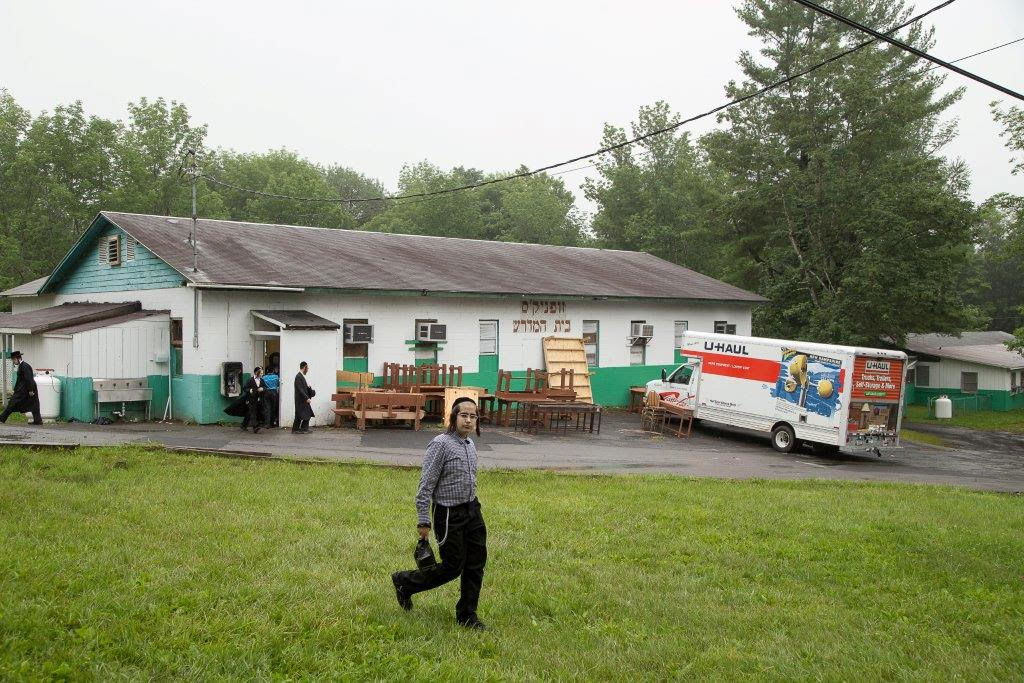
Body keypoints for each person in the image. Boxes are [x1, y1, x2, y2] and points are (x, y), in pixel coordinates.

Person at [391, 397, 488, 630]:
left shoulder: (470, 444)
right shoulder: (440, 444)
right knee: (452, 567)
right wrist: (423, 520)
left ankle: (467, 615)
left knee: (475, 564)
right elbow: (425, 485)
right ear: (453, 417)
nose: (468, 420)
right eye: (463, 415)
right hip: (448, 514)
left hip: (472, 510)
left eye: (472, 416)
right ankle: (405, 582)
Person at [0, 351, 42, 425]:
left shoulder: (25, 366)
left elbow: (29, 379)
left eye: (13, 359)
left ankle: (2, 418)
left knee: (13, 403)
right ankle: (38, 420)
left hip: (26, 389)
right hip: (23, 389)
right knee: (33, 403)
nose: (13, 361)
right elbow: (20, 380)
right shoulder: (21, 366)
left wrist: (31, 390)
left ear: (18, 358)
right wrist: (15, 389)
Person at [241, 366, 266, 433]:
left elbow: (265, 387)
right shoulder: (250, 380)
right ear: (256, 373)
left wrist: (263, 388)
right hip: (251, 399)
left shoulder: (262, 380)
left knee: (250, 413)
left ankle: (243, 425)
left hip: (258, 399)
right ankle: (255, 427)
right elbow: (244, 388)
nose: (262, 374)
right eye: (261, 373)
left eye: (262, 373)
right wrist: (250, 390)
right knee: (253, 412)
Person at [292, 361, 314, 433]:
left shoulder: (301, 376)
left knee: (307, 413)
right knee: (299, 415)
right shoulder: (298, 377)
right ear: (304, 367)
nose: (308, 369)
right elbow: (300, 389)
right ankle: (295, 429)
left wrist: (309, 388)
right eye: (307, 368)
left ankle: (304, 428)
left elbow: (303, 388)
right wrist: (306, 398)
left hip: (303, 399)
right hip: (300, 400)